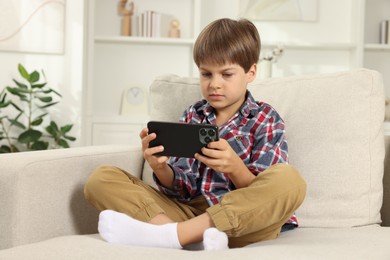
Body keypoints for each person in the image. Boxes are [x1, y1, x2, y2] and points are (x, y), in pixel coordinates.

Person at [84, 18, 307, 250]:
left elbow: (265, 193)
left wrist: (235, 167)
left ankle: (175, 236)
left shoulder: (265, 118)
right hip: (190, 211)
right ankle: (175, 233)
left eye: (226, 74)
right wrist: (160, 168)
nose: (214, 84)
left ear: (250, 72)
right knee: (101, 179)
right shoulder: (193, 115)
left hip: (244, 222)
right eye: (206, 74)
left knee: (291, 181)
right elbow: (184, 188)